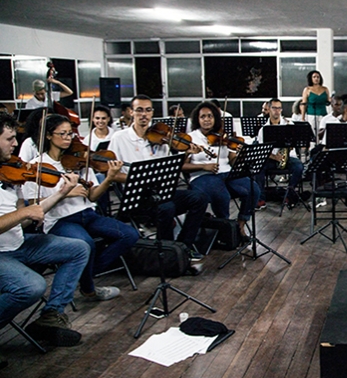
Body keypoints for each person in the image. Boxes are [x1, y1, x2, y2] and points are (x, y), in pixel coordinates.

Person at [22, 114, 138, 302]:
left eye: (70, 133)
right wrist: (66, 193)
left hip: (87, 214)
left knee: (130, 234)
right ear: (49, 136)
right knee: (87, 244)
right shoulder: (37, 166)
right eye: (63, 134)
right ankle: (88, 288)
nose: (69, 138)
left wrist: (109, 178)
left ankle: (87, 272)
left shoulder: (80, 159)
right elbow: (36, 204)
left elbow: (92, 195)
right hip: (60, 220)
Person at [0, 112, 90, 347]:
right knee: (32, 286)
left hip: (18, 244)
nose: (15, 144)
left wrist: (61, 193)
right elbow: (22, 214)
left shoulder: (10, 171)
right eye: (9, 138)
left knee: (78, 249)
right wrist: (24, 213)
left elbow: (28, 217)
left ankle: (50, 316)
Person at [108, 95, 209, 260]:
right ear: (131, 112)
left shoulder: (160, 137)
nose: (144, 115)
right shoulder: (119, 138)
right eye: (139, 110)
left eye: (148, 110)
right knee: (166, 208)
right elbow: (112, 175)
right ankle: (167, 253)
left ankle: (184, 245)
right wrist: (138, 178)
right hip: (137, 197)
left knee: (199, 198)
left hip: (162, 193)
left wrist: (186, 154)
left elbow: (173, 170)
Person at [184, 102, 259, 240]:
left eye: (210, 116)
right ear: (197, 119)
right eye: (203, 117)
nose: (207, 119)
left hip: (226, 173)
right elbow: (182, 166)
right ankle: (224, 228)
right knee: (221, 195)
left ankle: (240, 226)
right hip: (202, 176)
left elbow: (232, 161)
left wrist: (240, 156)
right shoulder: (191, 138)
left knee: (254, 189)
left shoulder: (223, 136)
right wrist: (203, 166)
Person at [256, 98, 304, 209]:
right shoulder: (264, 129)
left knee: (299, 167)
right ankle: (261, 199)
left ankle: (289, 194)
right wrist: (274, 157)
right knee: (258, 168)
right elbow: (261, 149)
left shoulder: (289, 124)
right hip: (271, 158)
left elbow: (295, 142)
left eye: (279, 108)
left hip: (287, 157)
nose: (277, 111)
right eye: (274, 108)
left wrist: (291, 145)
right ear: (269, 109)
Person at [300, 70, 331, 143]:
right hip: (311, 114)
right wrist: (302, 117)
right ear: (311, 78)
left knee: (323, 133)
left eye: (318, 77)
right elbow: (303, 104)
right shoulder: (307, 89)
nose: (316, 79)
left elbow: (328, 101)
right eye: (314, 77)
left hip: (323, 113)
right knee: (313, 135)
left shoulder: (325, 89)